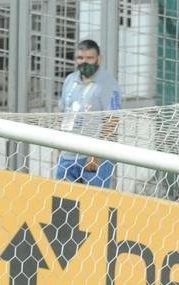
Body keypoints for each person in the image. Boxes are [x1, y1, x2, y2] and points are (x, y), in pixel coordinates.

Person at [55, 39, 123, 189]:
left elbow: (112, 121)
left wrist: (95, 157)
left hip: (93, 159)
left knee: (94, 205)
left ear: (99, 59)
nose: (84, 62)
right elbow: (63, 113)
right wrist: (59, 149)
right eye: (80, 58)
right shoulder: (70, 80)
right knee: (62, 202)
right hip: (68, 154)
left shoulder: (108, 85)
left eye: (89, 58)